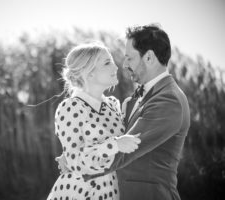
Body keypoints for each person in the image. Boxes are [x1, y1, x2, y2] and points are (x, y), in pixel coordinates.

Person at [58, 24, 190, 200]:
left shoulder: (168, 100)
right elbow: (112, 136)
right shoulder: (136, 98)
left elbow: (125, 151)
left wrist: (80, 160)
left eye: (130, 58)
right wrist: (78, 150)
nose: (124, 64)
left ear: (149, 57)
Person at [47, 42, 141, 200]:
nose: (115, 67)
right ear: (89, 73)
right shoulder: (70, 107)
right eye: (107, 63)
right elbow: (75, 163)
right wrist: (115, 145)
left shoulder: (113, 104)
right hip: (80, 193)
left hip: (111, 191)